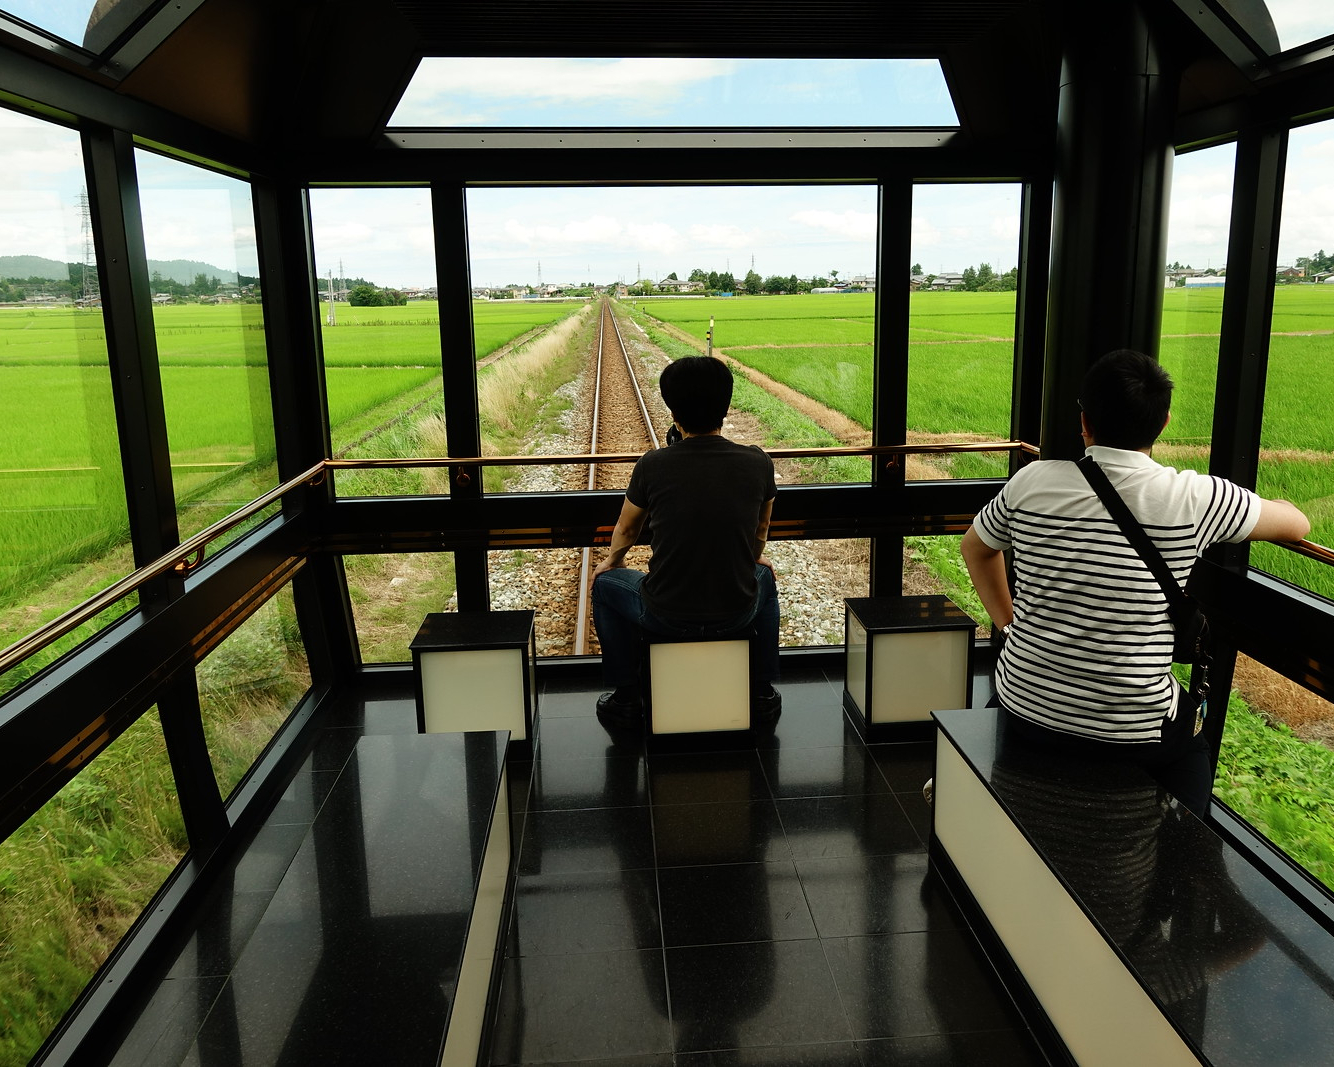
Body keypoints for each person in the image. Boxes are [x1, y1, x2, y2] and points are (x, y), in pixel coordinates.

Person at [960, 349, 1310, 815]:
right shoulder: (1195, 496)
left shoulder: (1032, 481)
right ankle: (1181, 859)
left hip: (1023, 704)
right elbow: (1297, 523)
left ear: (1084, 421)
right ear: (1163, 424)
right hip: (1128, 730)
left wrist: (1007, 625)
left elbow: (976, 548)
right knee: (1193, 750)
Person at [591, 355, 781, 729]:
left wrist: (611, 562)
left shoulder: (653, 464)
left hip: (666, 614)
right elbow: (761, 529)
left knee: (603, 586)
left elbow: (627, 531)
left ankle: (627, 695)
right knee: (767, 580)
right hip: (735, 612)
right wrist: (751, 560)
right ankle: (760, 692)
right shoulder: (758, 462)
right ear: (725, 408)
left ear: (673, 410)